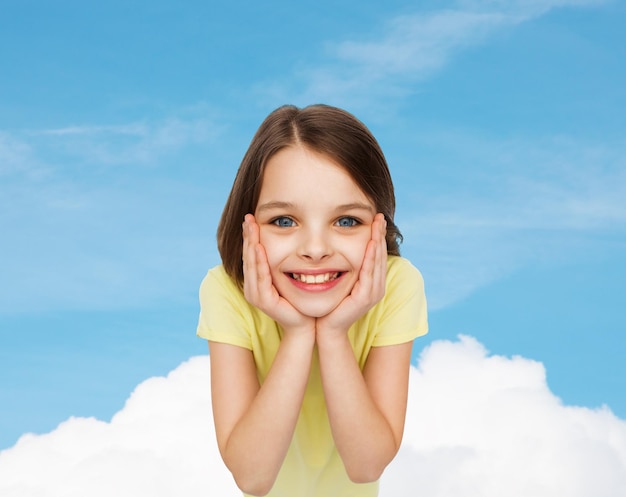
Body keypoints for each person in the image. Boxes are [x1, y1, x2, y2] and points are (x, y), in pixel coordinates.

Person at [196, 104, 428, 497]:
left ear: (379, 226)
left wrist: (334, 334)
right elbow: (252, 478)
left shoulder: (397, 285)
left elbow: (366, 465)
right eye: (284, 221)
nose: (316, 249)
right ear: (249, 223)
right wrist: (299, 333)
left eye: (346, 221)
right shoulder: (226, 289)